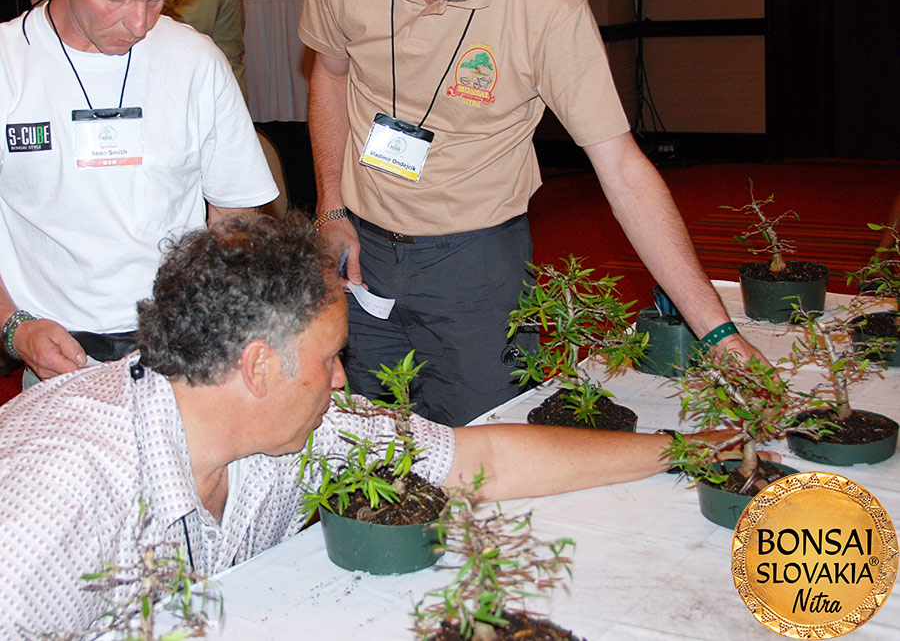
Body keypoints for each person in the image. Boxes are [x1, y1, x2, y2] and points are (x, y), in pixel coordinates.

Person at [0, 212, 731, 635]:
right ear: (258, 367)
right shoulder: (53, 494)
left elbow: (483, 463)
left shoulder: (298, 425)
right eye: (330, 358)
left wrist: (674, 450)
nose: (345, 376)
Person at [299, 0, 763, 425]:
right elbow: (329, 74)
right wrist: (330, 207)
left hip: (475, 263)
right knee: (355, 442)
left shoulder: (548, 1)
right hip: (360, 253)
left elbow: (623, 169)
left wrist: (717, 335)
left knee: (486, 452)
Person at [0, 0, 277, 385]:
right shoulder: (7, 66)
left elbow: (235, 216)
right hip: (58, 356)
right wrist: (15, 328)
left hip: (184, 348)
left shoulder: (194, 60)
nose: (140, 22)